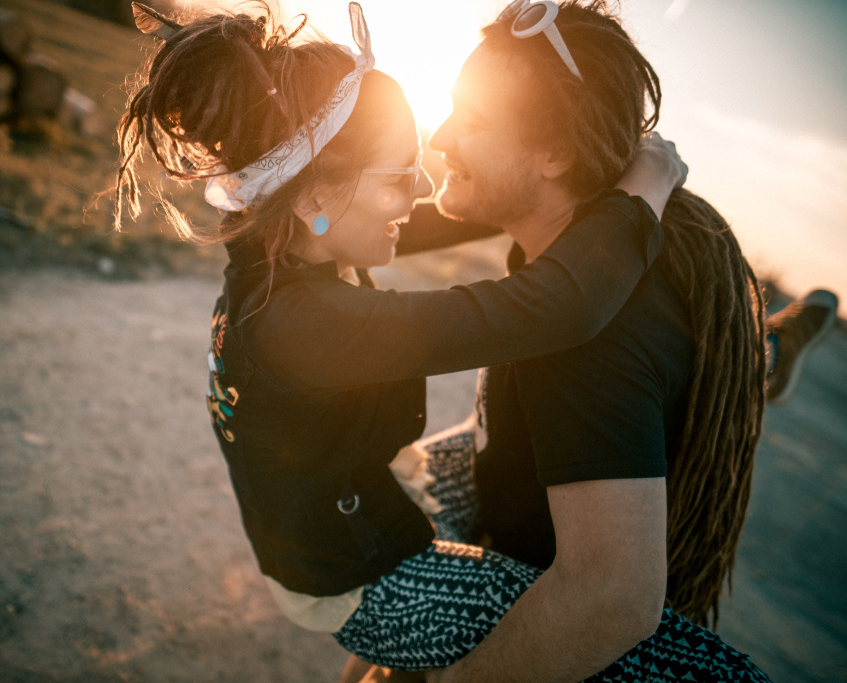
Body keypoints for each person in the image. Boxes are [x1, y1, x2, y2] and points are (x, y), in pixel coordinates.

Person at [115, 2, 775, 681]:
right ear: (316, 192)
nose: (425, 181)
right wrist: (644, 188)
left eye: (472, 120)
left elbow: (442, 214)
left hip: (334, 486)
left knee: (472, 439)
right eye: (399, 179)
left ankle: (759, 356)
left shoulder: (285, 240)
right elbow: (557, 306)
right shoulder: (306, 328)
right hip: (359, 568)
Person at [340, 1, 835, 680]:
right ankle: (780, 344)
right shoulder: (594, 228)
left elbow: (611, 600)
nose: (443, 136)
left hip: (530, 583)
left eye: (474, 120)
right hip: (514, 444)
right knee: (741, 359)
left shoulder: (588, 337)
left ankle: (772, 349)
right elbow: (439, 215)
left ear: (557, 153)